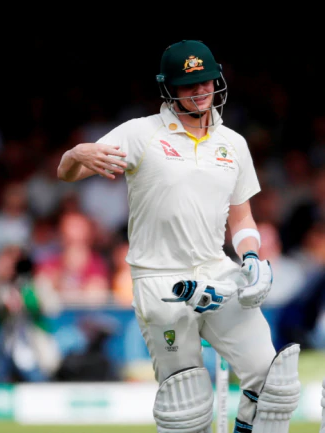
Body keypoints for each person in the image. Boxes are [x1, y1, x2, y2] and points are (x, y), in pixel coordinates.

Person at [56, 40, 300, 433]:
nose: (201, 90)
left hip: (218, 273)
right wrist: (74, 156)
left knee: (275, 383)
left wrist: (252, 259)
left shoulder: (233, 144)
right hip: (159, 279)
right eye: (189, 85)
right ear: (168, 88)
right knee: (187, 407)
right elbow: (69, 173)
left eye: (206, 81)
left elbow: (242, 220)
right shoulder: (141, 134)